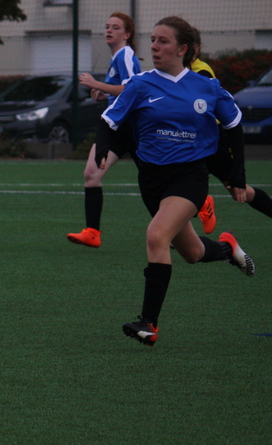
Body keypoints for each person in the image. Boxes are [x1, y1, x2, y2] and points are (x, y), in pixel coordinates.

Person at [93, 16, 253, 346]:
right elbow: (109, 121)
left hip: (189, 177)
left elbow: (234, 125)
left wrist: (237, 173)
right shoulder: (140, 84)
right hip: (151, 180)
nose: (154, 46)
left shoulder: (206, 87)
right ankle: (228, 249)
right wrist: (104, 145)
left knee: (156, 236)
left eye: (163, 41)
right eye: (153, 39)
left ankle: (148, 323)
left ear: (183, 49)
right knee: (192, 253)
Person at [68, 12, 142, 248]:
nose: (109, 30)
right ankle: (92, 232)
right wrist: (105, 95)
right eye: (107, 26)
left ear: (127, 34)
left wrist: (96, 84)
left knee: (156, 180)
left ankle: (198, 203)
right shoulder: (117, 57)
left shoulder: (126, 53)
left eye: (116, 27)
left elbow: (132, 89)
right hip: (117, 128)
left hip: (134, 128)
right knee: (92, 173)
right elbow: (121, 92)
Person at [191, 30, 272, 232]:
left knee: (238, 191)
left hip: (214, 138)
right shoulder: (174, 72)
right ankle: (191, 217)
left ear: (195, 48)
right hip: (192, 139)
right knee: (180, 184)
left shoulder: (201, 72)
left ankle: (201, 204)